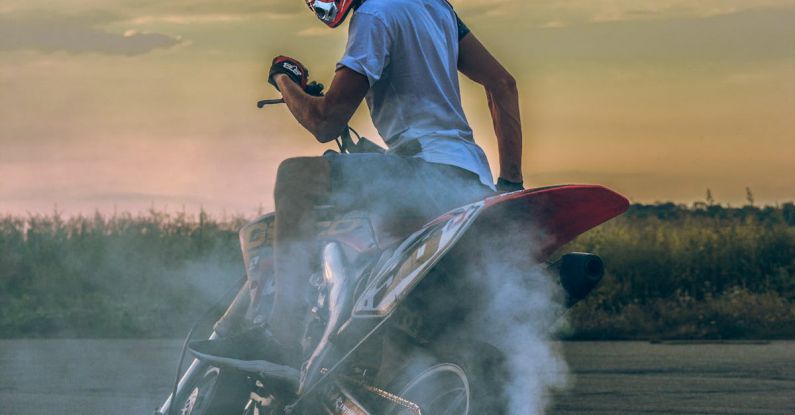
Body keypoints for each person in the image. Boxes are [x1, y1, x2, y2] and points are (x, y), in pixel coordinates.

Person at [189, 0, 525, 375]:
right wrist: (509, 185)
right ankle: (366, 362)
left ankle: (282, 340)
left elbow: (326, 122)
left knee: (294, 178)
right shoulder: (436, 8)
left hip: (422, 172)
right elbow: (503, 83)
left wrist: (285, 83)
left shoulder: (374, 14)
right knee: (377, 264)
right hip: (467, 180)